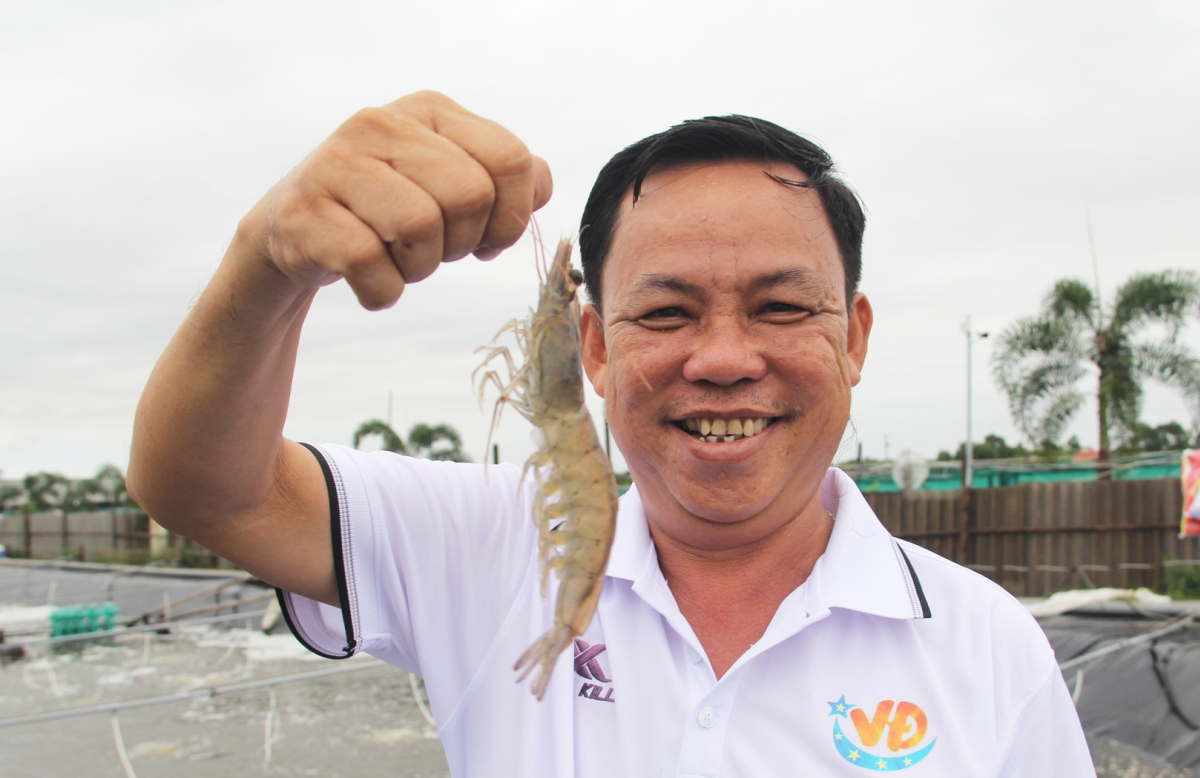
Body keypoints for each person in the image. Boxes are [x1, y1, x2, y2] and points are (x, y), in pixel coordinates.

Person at [128, 91, 1096, 776]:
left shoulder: (990, 653)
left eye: (780, 307)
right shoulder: (491, 549)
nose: (722, 357)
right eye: (667, 313)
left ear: (856, 337)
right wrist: (271, 260)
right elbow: (199, 485)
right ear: (590, 344)